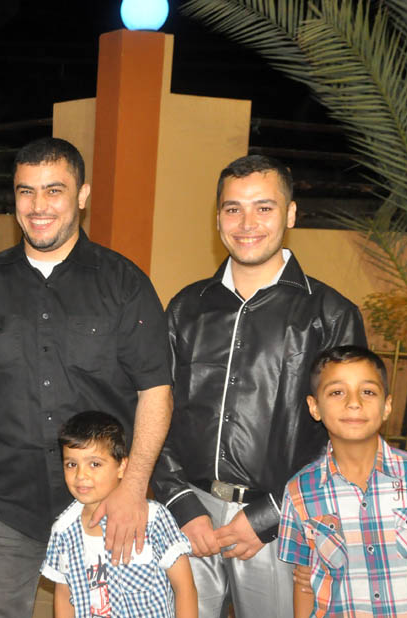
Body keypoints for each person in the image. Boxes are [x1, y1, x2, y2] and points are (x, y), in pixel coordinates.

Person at [0, 137, 173, 617]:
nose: (38, 206)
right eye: (26, 191)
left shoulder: (123, 283)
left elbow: (155, 393)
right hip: (6, 500)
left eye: (54, 190)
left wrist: (133, 489)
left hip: (101, 503)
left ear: (82, 195)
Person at [150, 154, 367, 618]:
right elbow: (155, 409)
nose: (247, 223)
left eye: (264, 208)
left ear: (290, 214)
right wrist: (181, 502)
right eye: (233, 209)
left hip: (284, 522)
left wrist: (270, 514)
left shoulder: (331, 315)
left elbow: (351, 435)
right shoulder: (186, 308)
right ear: (217, 219)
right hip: (189, 518)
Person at [278, 346, 407, 617]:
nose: (354, 402)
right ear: (314, 407)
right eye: (337, 392)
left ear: (387, 406)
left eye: (368, 392)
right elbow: (304, 582)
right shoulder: (299, 492)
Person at [42, 411, 197, 618]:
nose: (81, 475)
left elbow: (184, 587)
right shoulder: (63, 530)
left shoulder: (153, 519)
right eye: (72, 464)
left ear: (122, 467)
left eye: (95, 464)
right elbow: (64, 595)